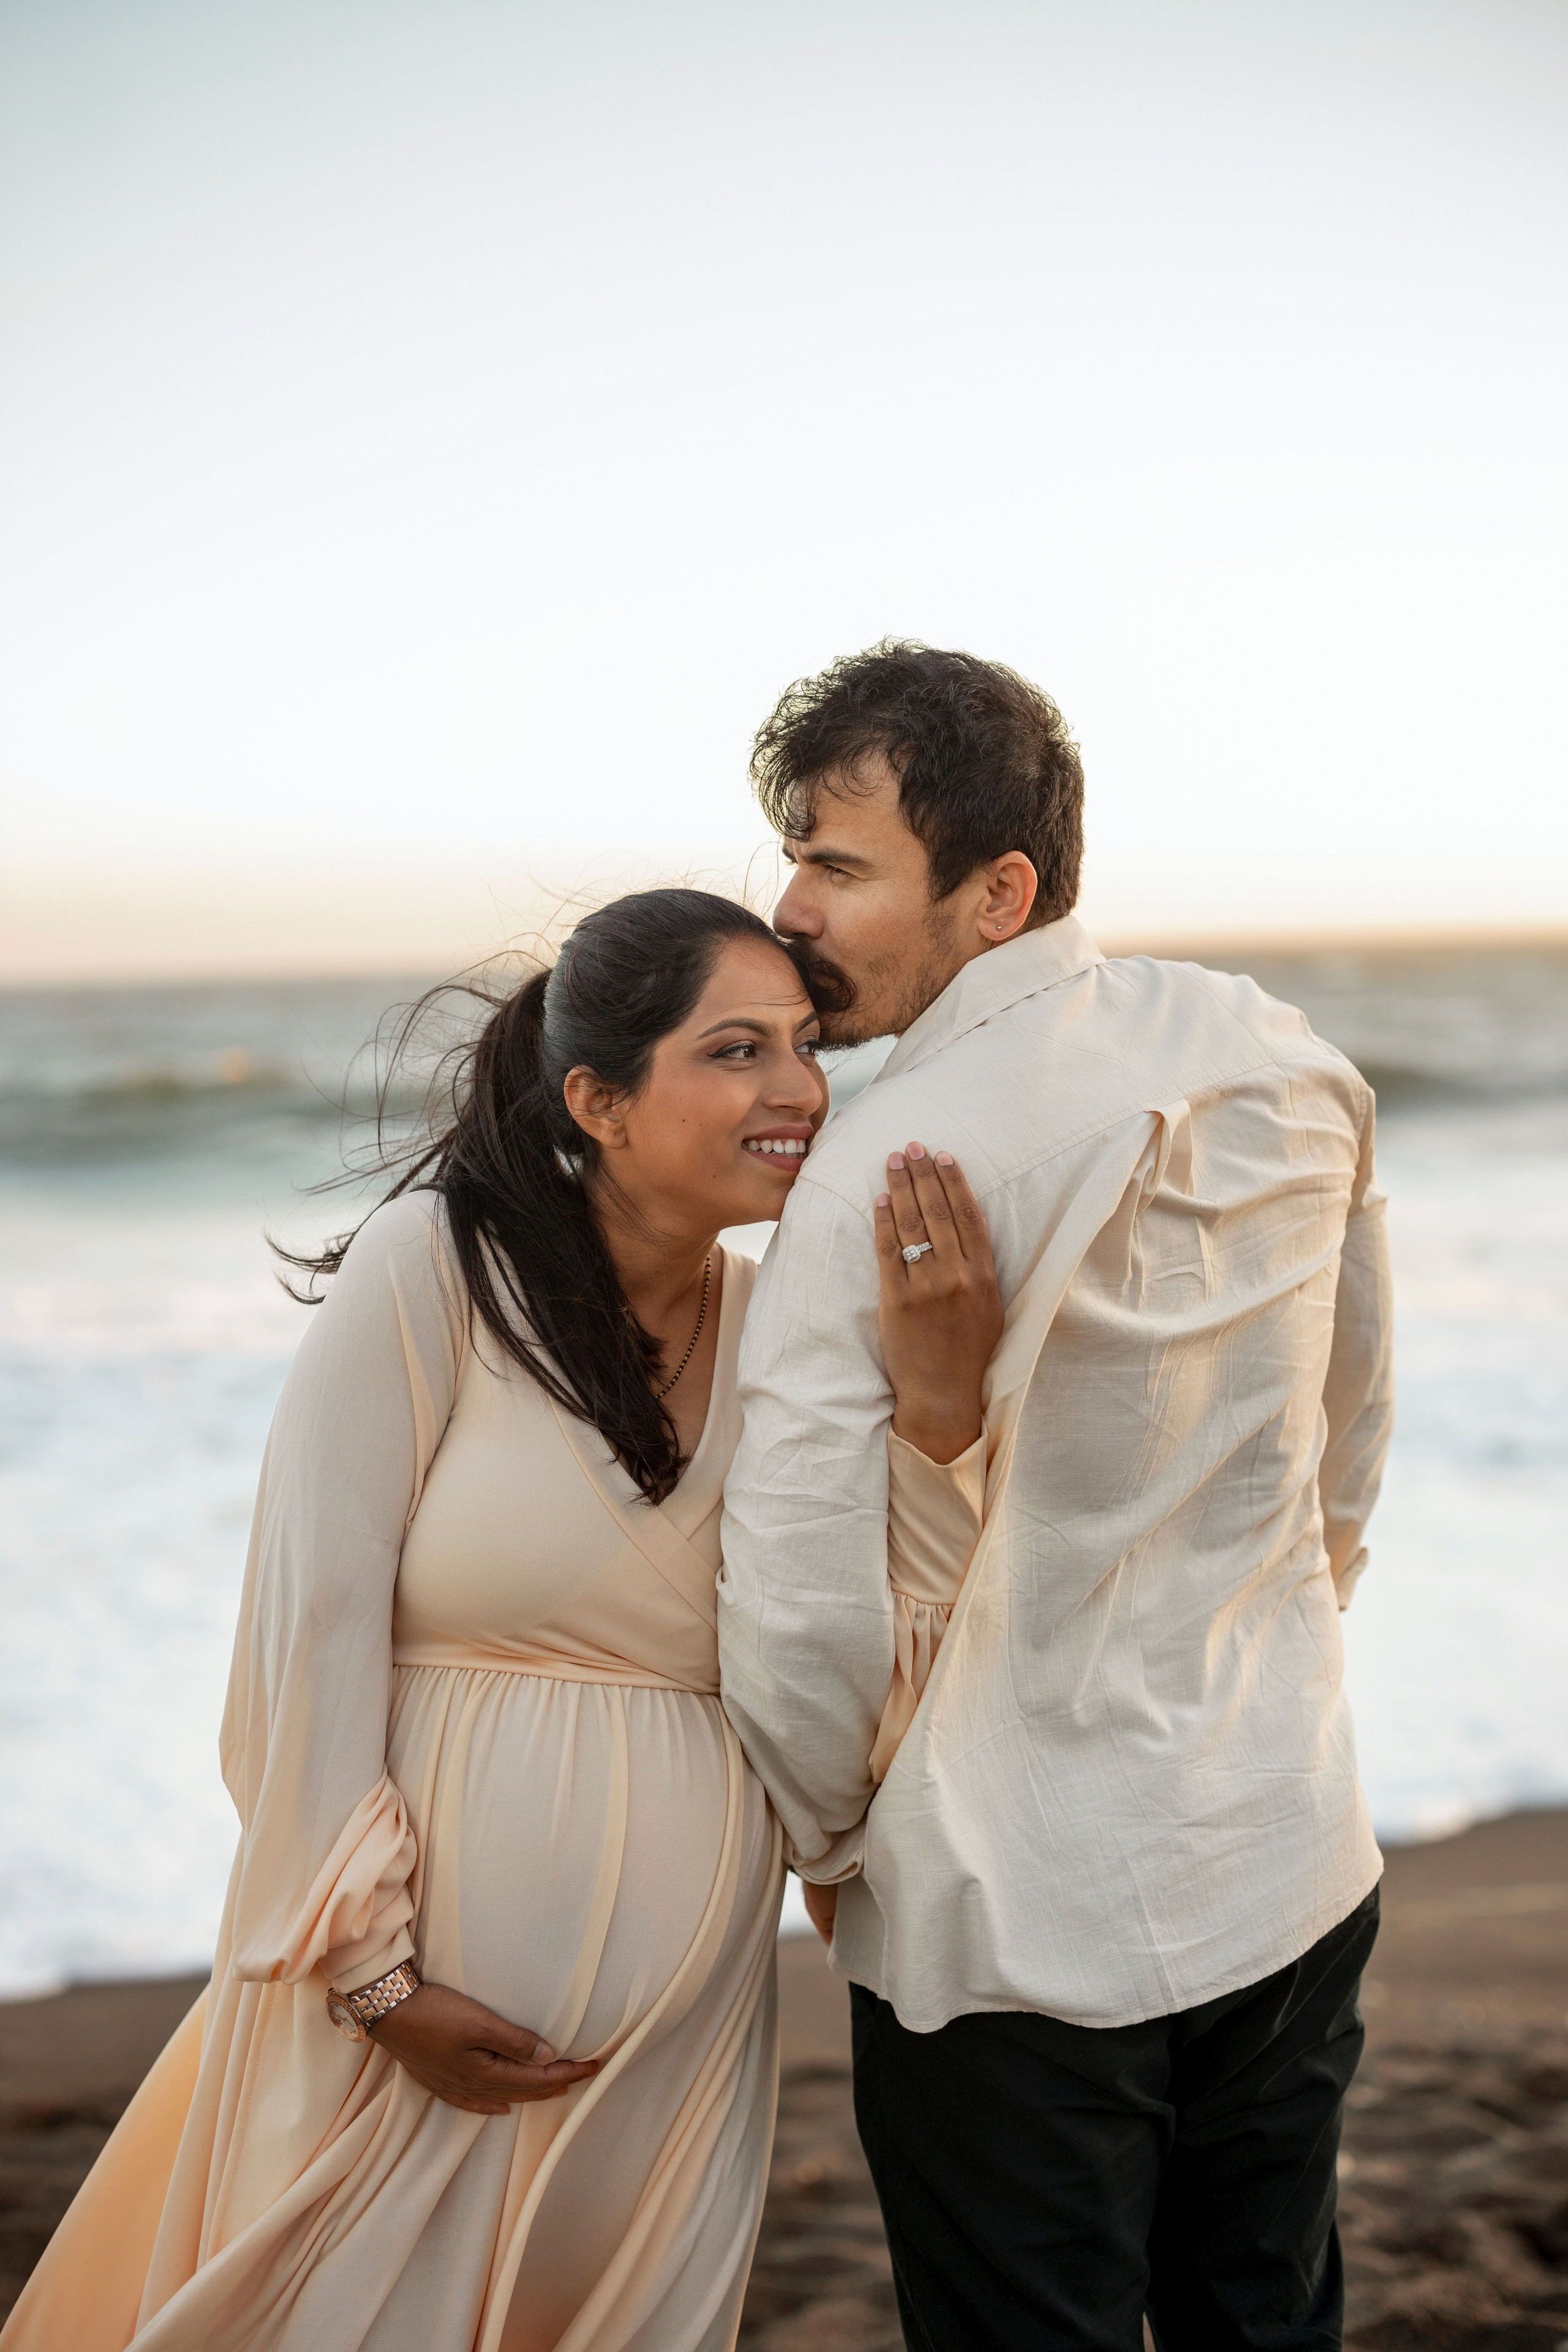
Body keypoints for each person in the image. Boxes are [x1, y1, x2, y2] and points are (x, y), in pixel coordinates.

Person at [1, 888, 1000, 2352]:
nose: (798, 1088)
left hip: (671, 2050)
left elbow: (876, 1651)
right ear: (596, 1099)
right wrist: (373, 1975)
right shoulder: (435, 1267)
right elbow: (308, 1632)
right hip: (404, 2023)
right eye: (735, 1050)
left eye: (806, 1045)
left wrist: (941, 1404)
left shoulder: (786, 1325)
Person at [718, 641, 1396, 2352]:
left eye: (838, 866)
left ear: (997, 892)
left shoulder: (874, 1178)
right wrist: (1270, 1655)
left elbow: (802, 1611)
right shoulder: (1275, 1053)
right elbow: (1346, 1433)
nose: (790, 907)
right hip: (1281, 1841)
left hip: (1003, 1918)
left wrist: (832, 1842)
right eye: (793, 857)